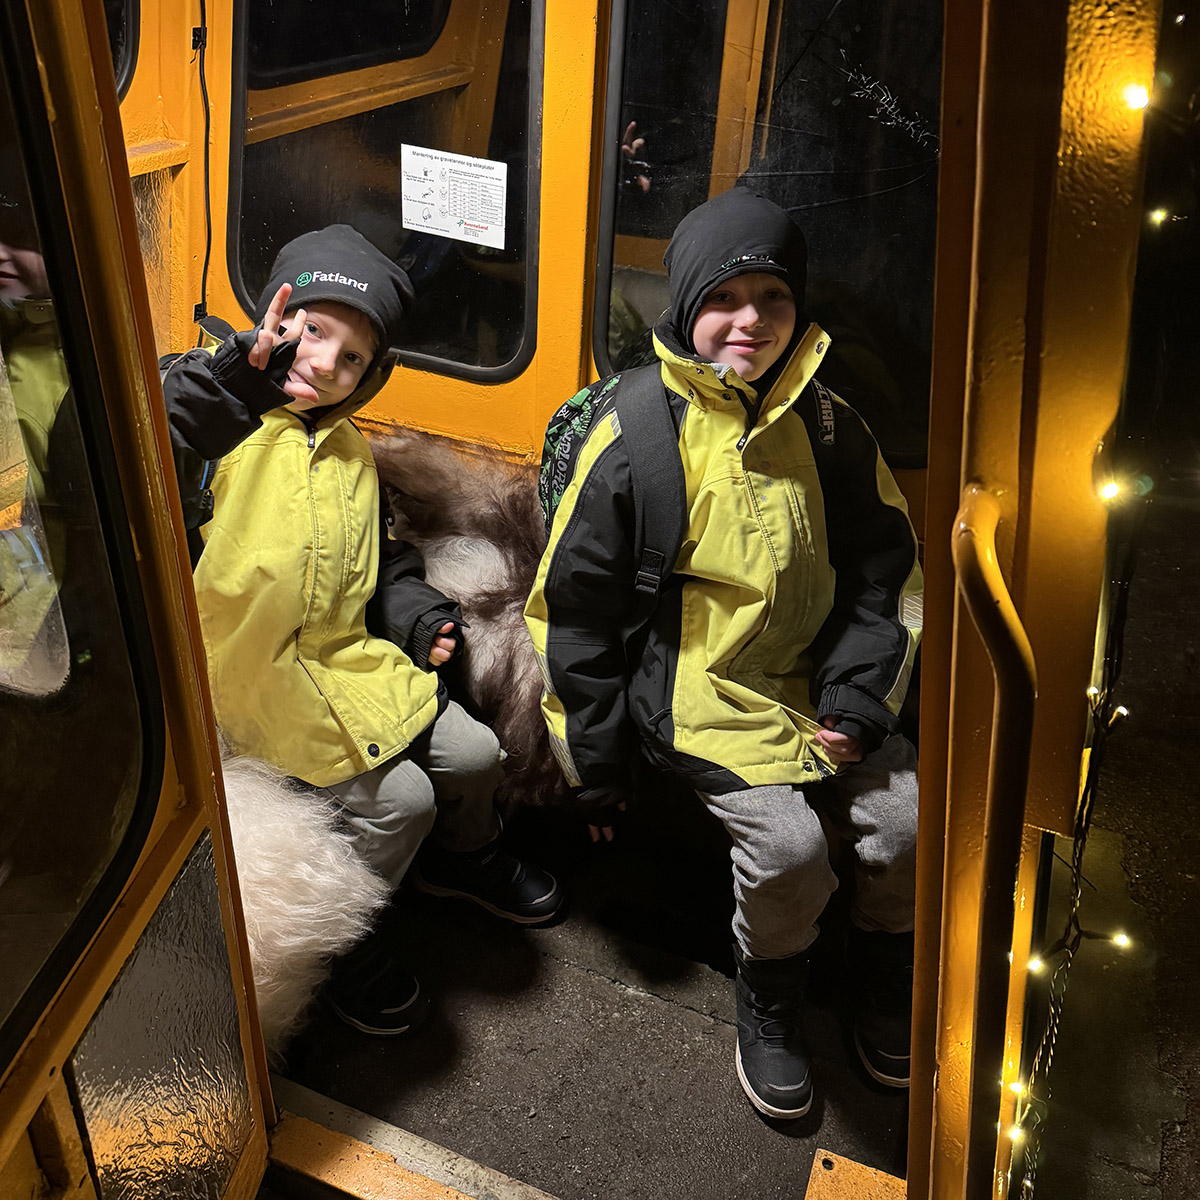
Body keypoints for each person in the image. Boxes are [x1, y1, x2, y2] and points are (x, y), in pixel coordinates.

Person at [524, 188, 922, 1119]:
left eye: (774, 299)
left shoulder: (830, 428)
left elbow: (885, 579)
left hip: (817, 678)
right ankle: (771, 999)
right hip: (696, 686)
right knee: (785, 851)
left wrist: (862, 697)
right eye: (724, 298)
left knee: (904, 823)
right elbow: (574, 613)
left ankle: (885, 971)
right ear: (686, 307)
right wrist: (595, 763)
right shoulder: (637, 436)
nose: (751, 321)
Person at [162, 224, 562, 1035]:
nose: (324, 366)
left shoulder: (349, 452)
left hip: (340, 663)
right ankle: (331, 946)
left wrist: (416, 618)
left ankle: (465, 859)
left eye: (352, 359)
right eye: (312, 332)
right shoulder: (215, 429)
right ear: (273, 322)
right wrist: (233, 386)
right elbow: (144, 457)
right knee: (404, 800)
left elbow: (381, 563)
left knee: (479, 753)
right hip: (237, 680)